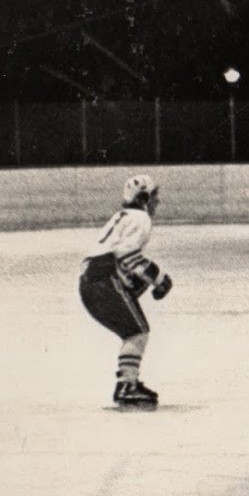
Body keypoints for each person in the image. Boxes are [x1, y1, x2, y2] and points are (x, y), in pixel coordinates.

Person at [79, 174, 173, 410]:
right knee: (137, 333)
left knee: (133, 332)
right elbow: (128, 256)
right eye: (154, 197)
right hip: (104, 280)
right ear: (143, 197)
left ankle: (127, 383)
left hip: (91, 280)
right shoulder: (140, 218)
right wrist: (159, 279)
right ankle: (126, 386)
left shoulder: (121, 217)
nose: (157, 202)